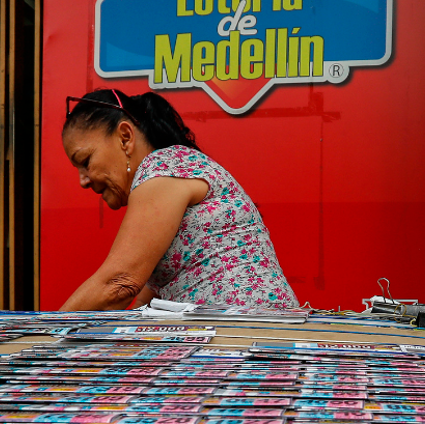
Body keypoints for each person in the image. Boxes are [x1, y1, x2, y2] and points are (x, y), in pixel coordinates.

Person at [57, 88, 299, 311]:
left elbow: (118, 284)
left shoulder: (163, 167)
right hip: (251, 332)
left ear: (125, 137)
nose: (83, 180)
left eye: (86, 161)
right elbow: (142, 302)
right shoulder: (173, 171)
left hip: (243, 331)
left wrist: (45, 333)